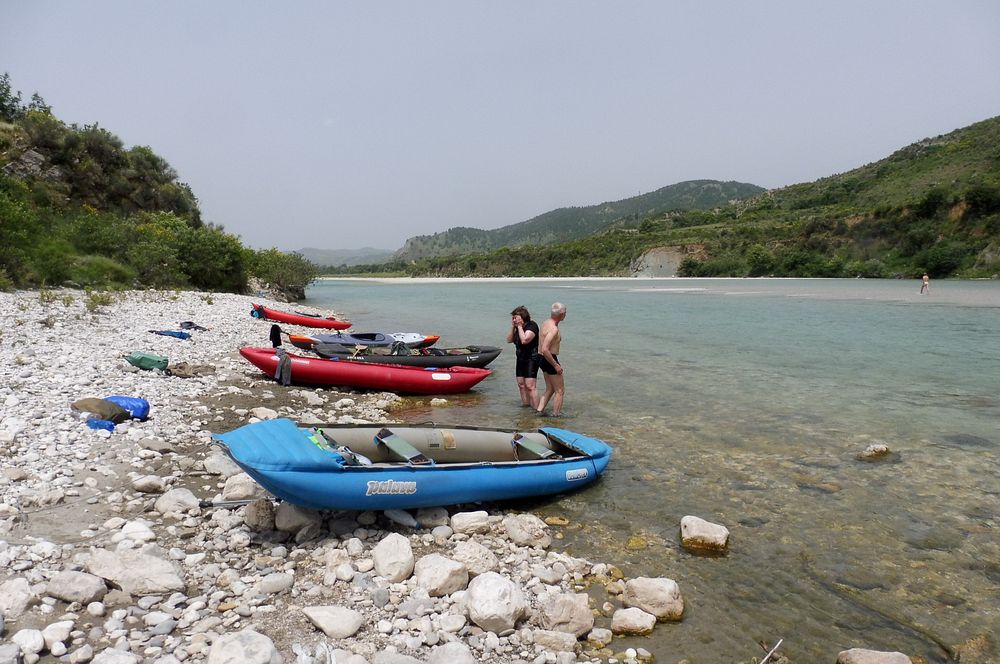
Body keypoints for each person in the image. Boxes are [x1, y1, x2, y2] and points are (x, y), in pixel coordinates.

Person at [535, 302, 567, 416]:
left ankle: (539, 411)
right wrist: (555, 365)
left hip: (541, 358)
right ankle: (556, 415)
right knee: (560, 390)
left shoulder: (545, 323)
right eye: (565, 312)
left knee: (550, 388)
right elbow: (545, 348)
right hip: (549, 358)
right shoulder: (553, 329)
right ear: (562, 314)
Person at [506, 306, 539, 408]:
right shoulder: (516, 328)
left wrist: (520, 327)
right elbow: (509, 340)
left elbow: (525, 340)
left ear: (523, 317)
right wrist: (513, 327)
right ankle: (526, 406)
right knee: (521, 384)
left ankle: (537, 409)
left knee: (530, 386)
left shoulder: (532, 326)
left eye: (516, 317)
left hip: (531, 359)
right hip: (520, 358)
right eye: (513, 318)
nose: (514, 320)